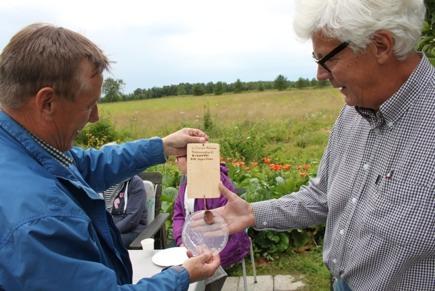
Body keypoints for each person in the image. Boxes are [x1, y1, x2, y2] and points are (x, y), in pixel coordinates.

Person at [212, 1, 435, 290]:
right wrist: (252, 213)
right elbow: (322, 196)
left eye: (326, 58)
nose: (320, 74)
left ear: (380, 45)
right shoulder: (352, 114)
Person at [0, 23, 220, 291]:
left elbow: (87, 165)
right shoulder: (41, 218)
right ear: (47, 103)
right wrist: (181, 275)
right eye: (89, 105)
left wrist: (162, 146)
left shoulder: (20, 148)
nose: (95, 118)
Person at [172, 155, 250, 291]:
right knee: (175, 270)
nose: (175, 161)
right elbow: (178, 215)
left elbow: (223, 226)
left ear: (190, 157)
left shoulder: (218, 183)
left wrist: (199, 247)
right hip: (191, 241)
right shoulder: (185, 184)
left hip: (222, 242)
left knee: (198, 272)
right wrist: (181, 241)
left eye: (178, 157)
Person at [103, 175, 148, 248]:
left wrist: (110, 231)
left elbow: (132, 219)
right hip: (108, 230)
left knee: (104, 245)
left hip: (131, 231)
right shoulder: (101, 183)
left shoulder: (135, 182)